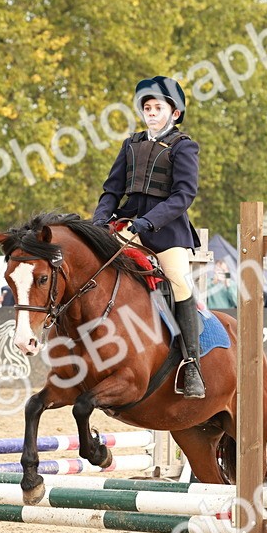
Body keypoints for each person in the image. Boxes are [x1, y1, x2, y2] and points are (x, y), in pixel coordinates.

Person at [92, 75, 205, 398]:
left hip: (166, 232)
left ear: (175, 113)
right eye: (148, 107)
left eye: (158, 108)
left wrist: (146, 224)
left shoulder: (185, 146)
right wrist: (100, 221)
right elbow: (111, 190)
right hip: (125, 226)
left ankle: (192, 364)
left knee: (180, 280)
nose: (151, 113)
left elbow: (184, 195)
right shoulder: (131, 144)